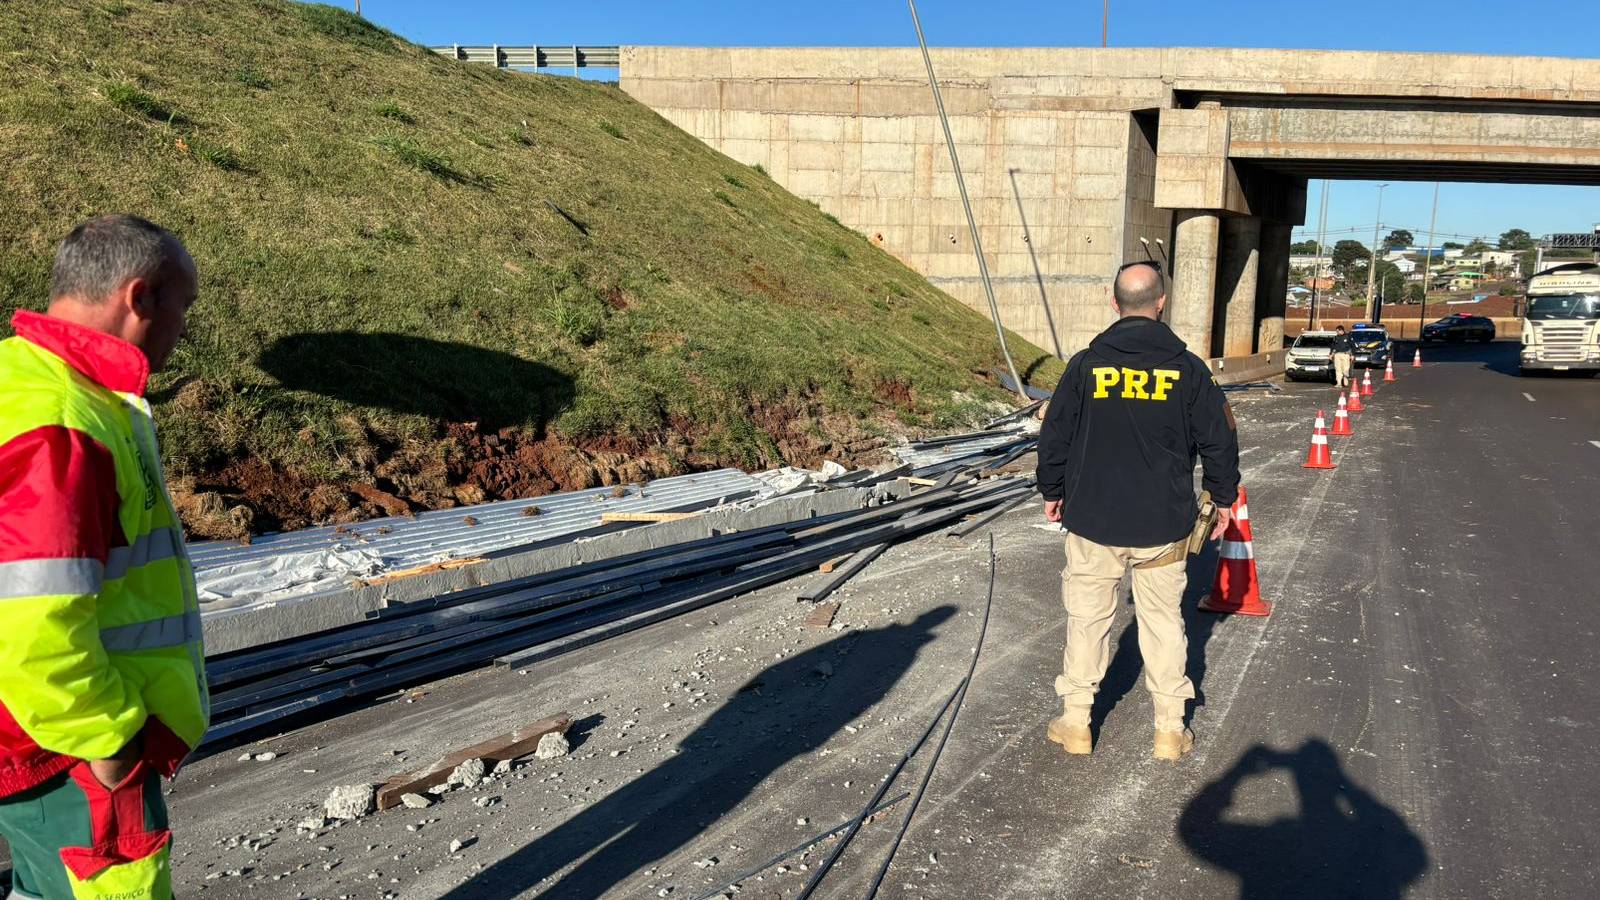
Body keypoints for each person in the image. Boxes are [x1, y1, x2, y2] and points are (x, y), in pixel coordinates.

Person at [0, 215, 208, 899]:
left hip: (31, 738)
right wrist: (111, 743)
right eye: (185, 306)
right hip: (68, 750)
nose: (185, 326)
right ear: (139, 297)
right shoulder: (68, 423)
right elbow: (30, 624)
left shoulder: (23, 379)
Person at [1035, 261, 1240, 761]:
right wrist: (1222, 498)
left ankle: (1077, 721)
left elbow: (1055, 435)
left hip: (1093, 520)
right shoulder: (1187, 369)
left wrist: (1052, 489)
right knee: (1164, 622)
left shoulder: (1085, 366)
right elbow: (1219, 440)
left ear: (1114, 303)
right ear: (1161, 303)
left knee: (1087, 620)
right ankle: (1170, 729)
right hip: (1162, 525)